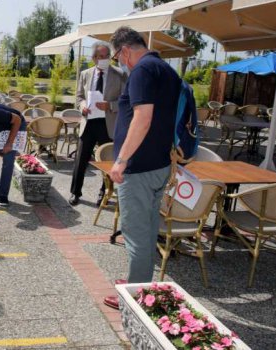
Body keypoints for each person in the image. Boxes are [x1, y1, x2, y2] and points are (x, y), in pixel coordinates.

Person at [102, 27, 181, 309]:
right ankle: (141, 284)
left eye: (117, 57)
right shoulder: (166, 70)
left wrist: (121, 161)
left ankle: (136, 299)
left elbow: (142, 118)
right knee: (146, 230)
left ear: (124, 50)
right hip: (159, 163)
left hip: (138, 168)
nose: (120, 62)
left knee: (135, 233)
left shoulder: (142, 71)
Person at [69, 42, 126, 206]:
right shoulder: (85, 74)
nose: (104, 59)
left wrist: (110, 105)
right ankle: (75, 193)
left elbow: (125, 100)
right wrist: (82, 107)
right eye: (100, 57)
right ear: (94, 58)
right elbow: (79, 97)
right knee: (81, 160)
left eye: (106, 56)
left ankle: (104, 193)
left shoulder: (120, 74)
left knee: (107, 161)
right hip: (88, 122)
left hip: (108, 123)